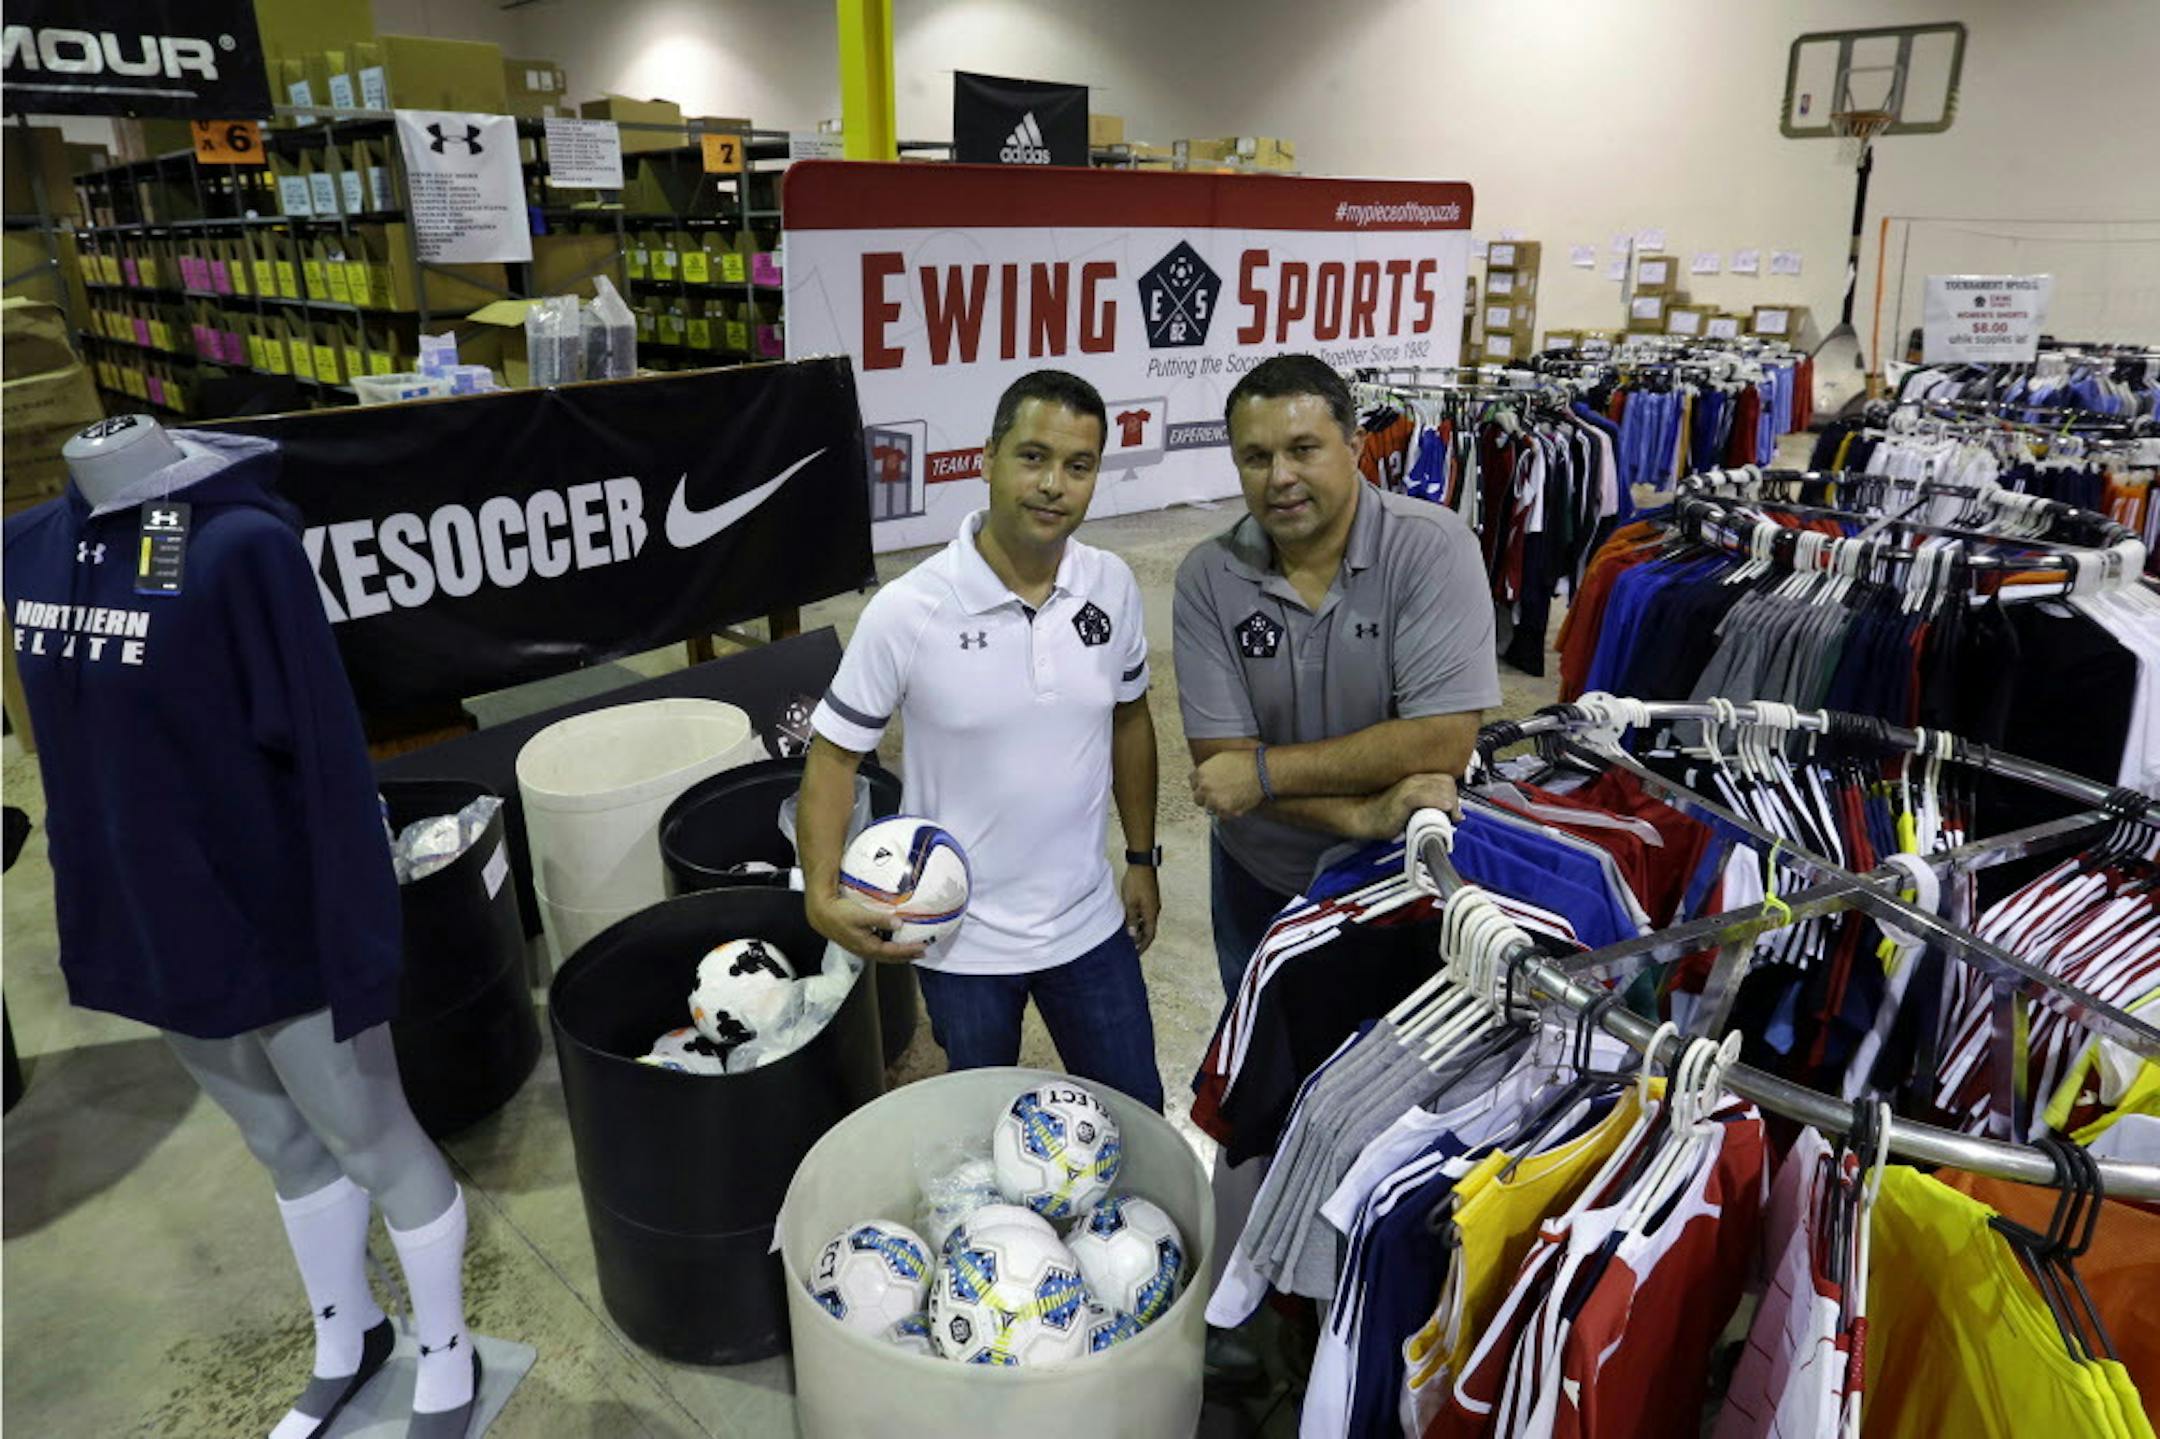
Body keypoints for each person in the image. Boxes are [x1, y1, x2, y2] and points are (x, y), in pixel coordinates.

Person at [1172, 352, 1501, 1377]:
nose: (1281, 475)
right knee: (1262, 1082)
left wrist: (1268, 770)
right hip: (1261, 882)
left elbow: (1442, 740)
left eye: (1304, 447)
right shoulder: (1207, 576)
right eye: (1256, 455)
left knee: (1383, 1095)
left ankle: (1361, 1294)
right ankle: (1268, 1299)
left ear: (1355, 444)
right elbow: (1213, 777)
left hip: (1397, 888)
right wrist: (1360, 798)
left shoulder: (1430, 547)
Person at [798, 370, 1166, 1109]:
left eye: (1078, 465)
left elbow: (1130, 717)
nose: (1053, 484)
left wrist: (1139, 856)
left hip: (1089, 923)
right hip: (958, 937)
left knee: (1138, 1120)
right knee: (981, 1143)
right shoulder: (909, 611)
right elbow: (834, 757)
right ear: (985, 459)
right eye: (1032, 457)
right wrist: (820, 893)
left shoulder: (1114, 585)